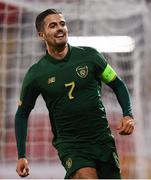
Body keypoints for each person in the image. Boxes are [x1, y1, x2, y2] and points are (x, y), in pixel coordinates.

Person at [15, 9, 134, 179]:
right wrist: (21, 155)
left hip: (102, 140)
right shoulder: (36, 74)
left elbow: (118, 84)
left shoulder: (90, 56)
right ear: (42, 34)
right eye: (53, 25)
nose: (60, 28)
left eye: (62, 24)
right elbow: (22, 114)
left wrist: (128, 114)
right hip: (71, 145)